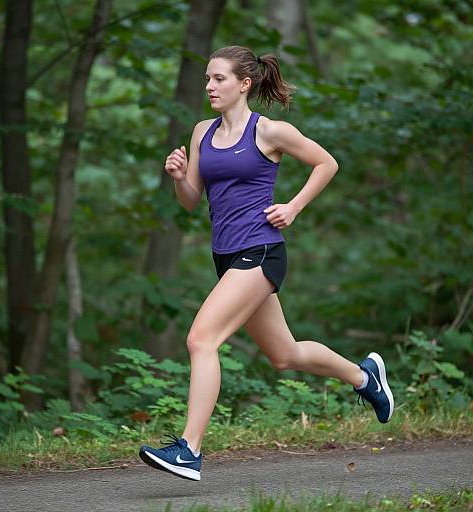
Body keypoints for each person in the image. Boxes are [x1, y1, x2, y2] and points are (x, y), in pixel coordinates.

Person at [139, 45, 394, 481]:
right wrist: (180, 178)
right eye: (207, 78)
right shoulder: (203, 131)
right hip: (226, 256)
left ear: (244, 84)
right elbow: (190, 201)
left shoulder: (270, 132)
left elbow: (325, 163)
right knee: (285, 355)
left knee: (201, 340)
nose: (209, 86)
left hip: (259, 252)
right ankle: (365, 377)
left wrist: (293, 207)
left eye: (218, 79)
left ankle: (189, 450)